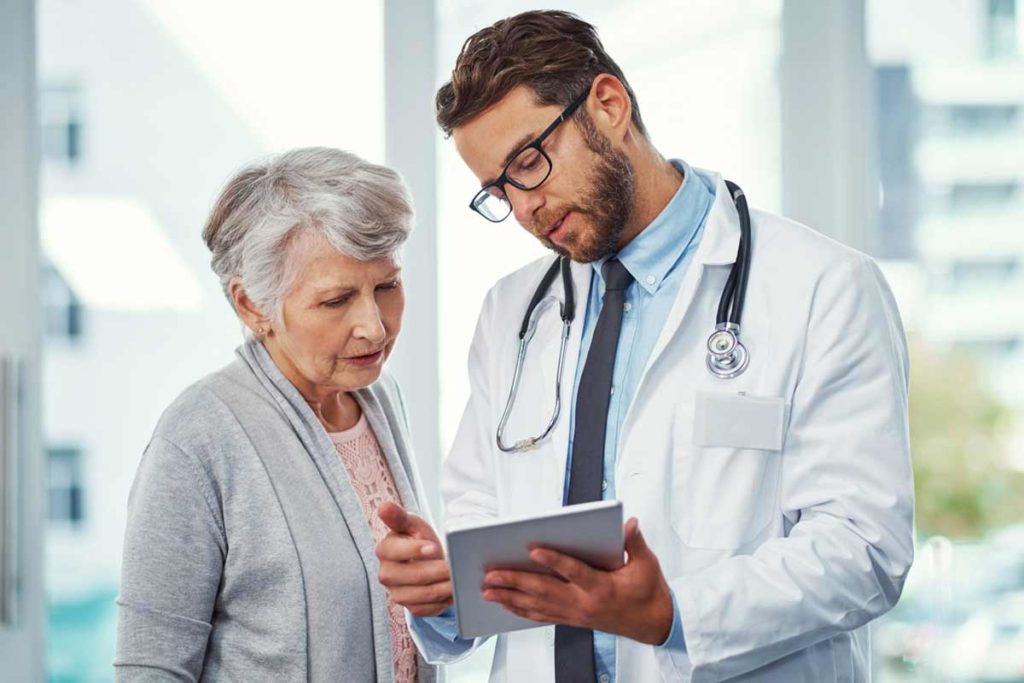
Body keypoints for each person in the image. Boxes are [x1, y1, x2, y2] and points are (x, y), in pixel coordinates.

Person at [375, 10, 914, 683]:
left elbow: (865, 548)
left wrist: (675, 613)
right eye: (498, 190)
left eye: (528, 162)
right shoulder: (512, 313)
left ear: (608, 105)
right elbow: (488, 522)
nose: (525, 210)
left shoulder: (823, 289)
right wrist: (450, 584)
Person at [115, 147, 437, 683]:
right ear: (251, 305)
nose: (374, 328)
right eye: (335, 301)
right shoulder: (198, 437)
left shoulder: (380, 398)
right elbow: (151, 668)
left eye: (387, 286)